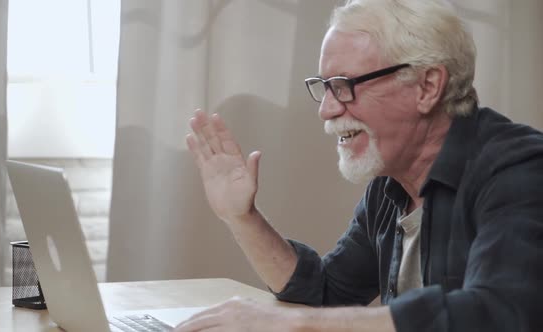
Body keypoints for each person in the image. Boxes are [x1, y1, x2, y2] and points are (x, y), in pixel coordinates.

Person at [176, 0, 543, 331]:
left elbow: (500, 312)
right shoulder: (390, 186)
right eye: (324, 86)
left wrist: (291, 322)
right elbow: (327, 294)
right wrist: (242, 217)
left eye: (345, 85)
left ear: (427, 86)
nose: (327, 109)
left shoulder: (520, 169)